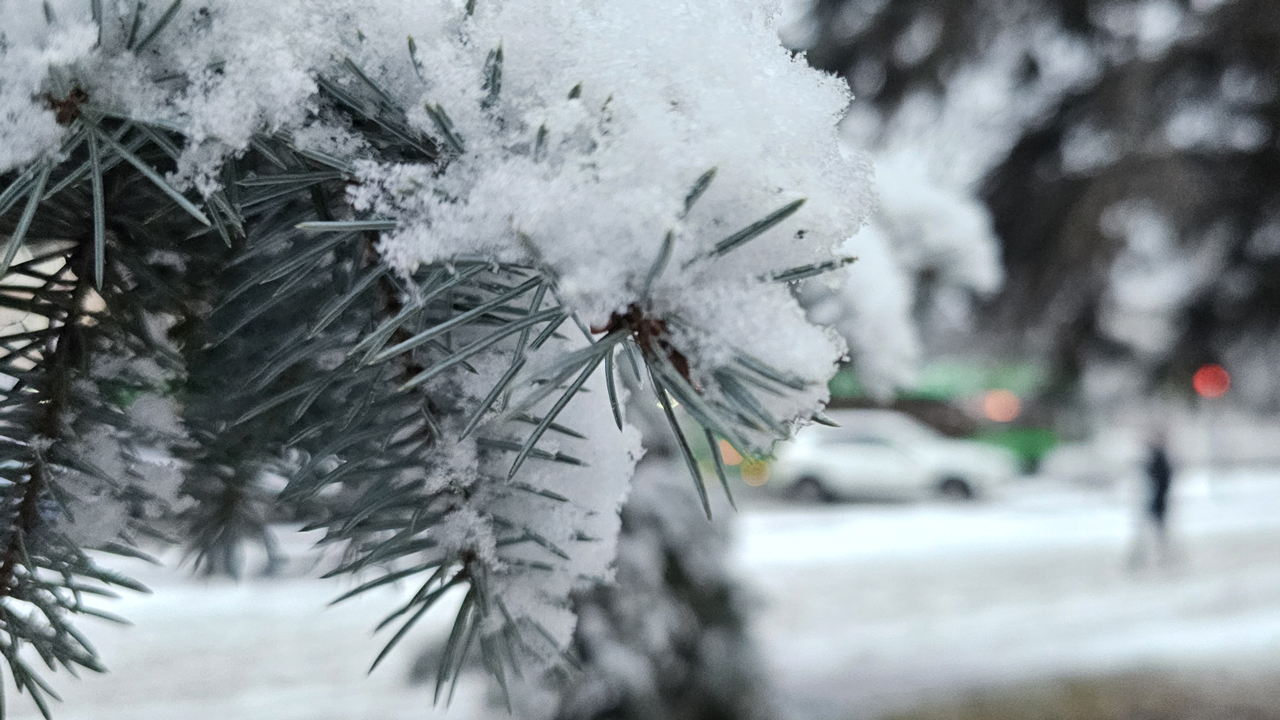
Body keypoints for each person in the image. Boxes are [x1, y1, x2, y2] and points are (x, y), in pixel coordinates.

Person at [1129, 431, 1175, 570]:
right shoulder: (1159, 457)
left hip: (1156, 500)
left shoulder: (1159, 458)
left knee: (1155, 532)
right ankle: (1154, 556)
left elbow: (1161, 479)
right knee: (1155, 531)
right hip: (1156, 500)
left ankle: (1156, 556)